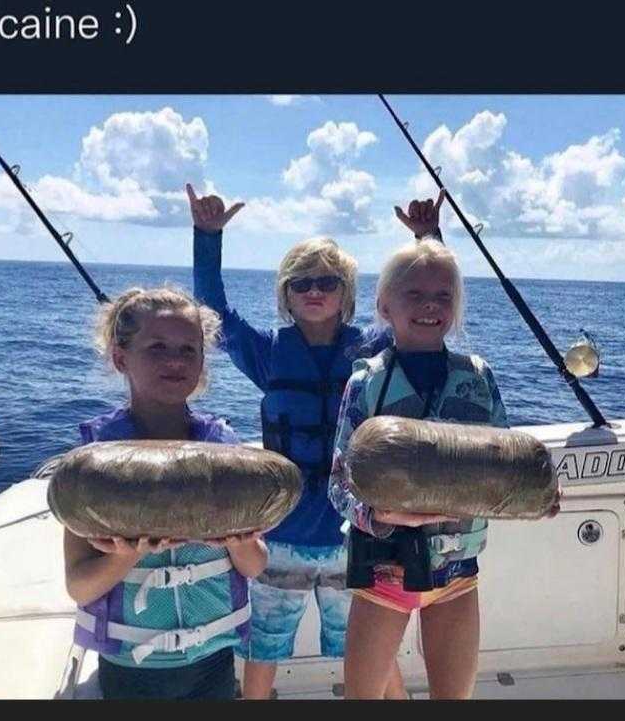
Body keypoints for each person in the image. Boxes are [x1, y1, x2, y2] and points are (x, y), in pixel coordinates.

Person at [189, 184, 443, 699]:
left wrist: (427, 239)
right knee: (263, 650)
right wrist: (207, 237)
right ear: (285, 294)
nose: (314, 290)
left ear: (347, 294)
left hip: (357, 537)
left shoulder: (374, 350)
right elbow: (211, 311)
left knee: (371, 651)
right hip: (278, 539)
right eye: (301, 281)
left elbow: (424, 313)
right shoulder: (268, 355)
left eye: (327, 281)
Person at [329, 239, 561, 699]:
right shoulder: (365, 384)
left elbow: (503, 463)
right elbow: (338, 483)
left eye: (443, 296)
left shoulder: (477, 376)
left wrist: (536, 497)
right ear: (385, 305)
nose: (430, 305)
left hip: (458, 573)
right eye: (414, 295)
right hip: (384, 572)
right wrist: (374, 517)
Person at [63, 287, 268, 700]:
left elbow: (255, 565)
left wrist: (240, 542)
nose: (175, 360)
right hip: (131, 664)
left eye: (189, 349)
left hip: (214, 656)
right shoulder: (96, 463)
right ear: (121, 358)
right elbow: (80, 587)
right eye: (157, 346)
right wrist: (128, 553)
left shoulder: (225, 449)